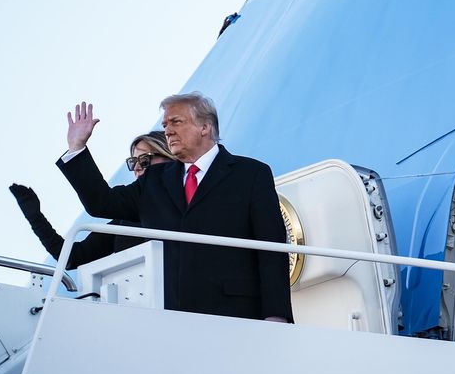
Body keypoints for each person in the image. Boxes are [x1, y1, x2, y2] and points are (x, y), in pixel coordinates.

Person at [56, 94, 293, 323]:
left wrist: (276, 314)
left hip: (235, 313)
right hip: (166, 315)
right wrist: (77, 147)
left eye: (176, 122)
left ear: (205, 127)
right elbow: (102, 203)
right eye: (165, 124)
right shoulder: (154, 180)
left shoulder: (251, 174)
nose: (168, 131)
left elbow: (271, 249)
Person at [10, 130, 176, 269]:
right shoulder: (126, 218)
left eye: (145, 160)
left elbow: (102, 201)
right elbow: (71, 257)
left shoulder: (186, 198)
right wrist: (35, 217)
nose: (137, 167)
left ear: (170, 157)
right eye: (133, 162)